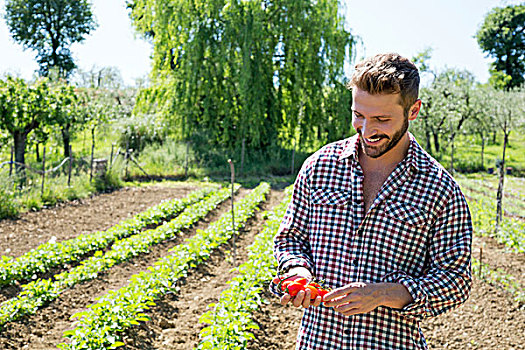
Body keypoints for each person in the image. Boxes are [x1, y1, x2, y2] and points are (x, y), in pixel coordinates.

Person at [271, 53, 472, 349]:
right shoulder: (319, 167)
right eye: (359, 115)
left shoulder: (439, 189)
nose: (367, 131)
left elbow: (455, 281)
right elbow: (291, 238)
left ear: (413, 111)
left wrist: (382, 294)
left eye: (381, 119)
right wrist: (297, 272)